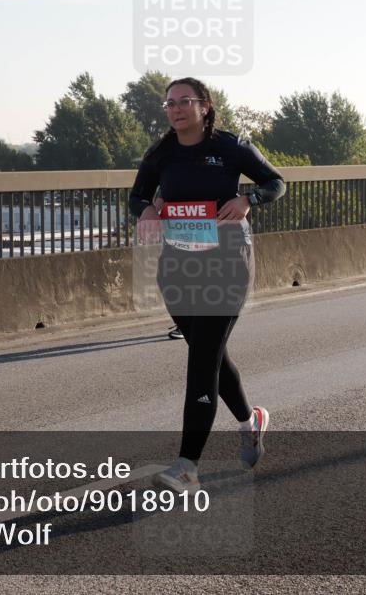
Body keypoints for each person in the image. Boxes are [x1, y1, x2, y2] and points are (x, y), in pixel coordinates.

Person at [129, 77, 286, 493]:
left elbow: (276, 183)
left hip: (227, 265)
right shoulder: (161, 152)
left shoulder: (230, 146)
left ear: (204, 106)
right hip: (178, 268)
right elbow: (137, 196)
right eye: (169, 103)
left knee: (201, 362)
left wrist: (248, 200)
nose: (175, 109)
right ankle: (251, 421)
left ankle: (187, 467)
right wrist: (145, 211)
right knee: (210, 356)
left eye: (184, 101)